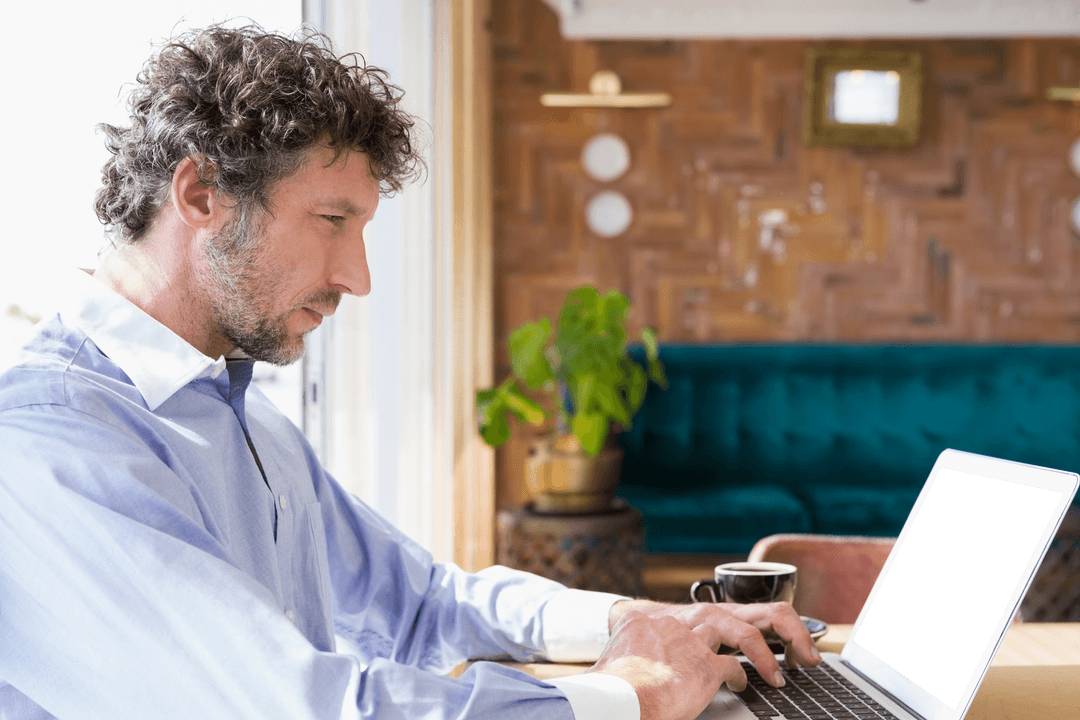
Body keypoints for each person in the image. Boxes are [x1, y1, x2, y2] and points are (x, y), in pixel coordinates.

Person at [0, 24, 820, 720]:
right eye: (331, 221)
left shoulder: (241, 414)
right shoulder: (45, 444)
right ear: (202, 195)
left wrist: (638, 619)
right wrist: (624, 692)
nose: (357, 278)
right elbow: (303, 708)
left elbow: (424, 600)